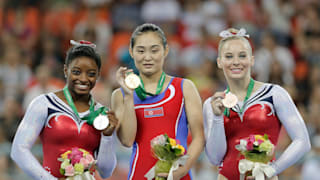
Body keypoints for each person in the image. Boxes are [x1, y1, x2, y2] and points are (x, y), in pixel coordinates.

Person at [203, 28, 311, 180]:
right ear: (220, 62)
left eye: (242, 55)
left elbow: (303, 141)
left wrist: (272, 169)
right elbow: (215, 158)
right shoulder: (213, 103)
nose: (236, 62)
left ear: (252, 60)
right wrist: (217, 118)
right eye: (229, 56)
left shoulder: (274, 94)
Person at [11, 40, 117, 180]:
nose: (83, 79)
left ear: (98, 76)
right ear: (66, 70)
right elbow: (18, 150)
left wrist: (107, 137)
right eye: (77, 72)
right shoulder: (44, 104)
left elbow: (105, 172)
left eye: (91, 74)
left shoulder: (102, 113)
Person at [112, 23, 205, 180]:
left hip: (177, 174)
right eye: (141, 51)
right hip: (139, 175)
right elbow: (127, 140)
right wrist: (129, 96)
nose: (147, 57)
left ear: (166, 51)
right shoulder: (120, 95)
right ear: (131, 52)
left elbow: (199, 137)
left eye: (154, 50)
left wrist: (183, 170)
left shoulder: (184, 87)